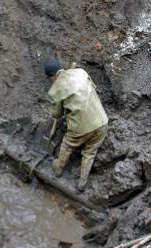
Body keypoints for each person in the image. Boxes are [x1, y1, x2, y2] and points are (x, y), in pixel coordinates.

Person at [44, 58, 108, 192]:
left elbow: (56, 114)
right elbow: (93, 88)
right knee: (90, 152)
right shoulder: (80, 72)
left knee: (67, 145)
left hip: (81, 128)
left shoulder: (55, 90)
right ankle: (82, 183)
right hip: (102, 121)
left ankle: (58, 168)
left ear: (51, 77)